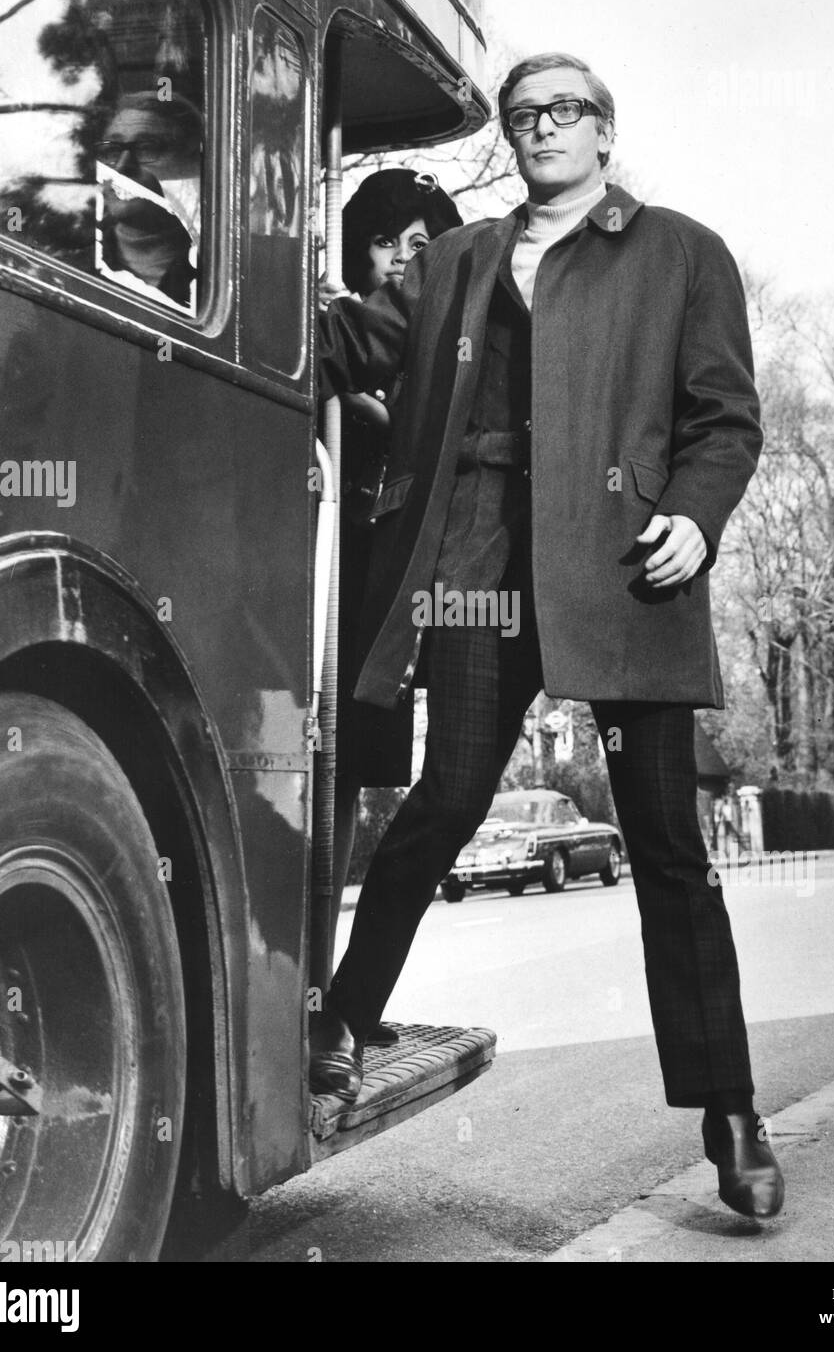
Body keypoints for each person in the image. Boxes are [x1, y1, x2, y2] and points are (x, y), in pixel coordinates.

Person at [313, 53, 784, 1219]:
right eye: (522, 116)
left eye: (563, 111)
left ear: (603, 133)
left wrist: (693, 514)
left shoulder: (681, 252)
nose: (540, 130)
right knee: (443, 803)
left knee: (668, 848)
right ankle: (341, 1020)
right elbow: (332, 345)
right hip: (481, 569)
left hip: (624, 570)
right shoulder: (457, 260)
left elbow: (723, 419)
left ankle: (730, 1110)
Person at [329, 169, 463, 1047]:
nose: (404, 261)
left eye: (424, 247)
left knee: (348, 788)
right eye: (388, 241)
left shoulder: (441, 364)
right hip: (318, 598)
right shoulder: (329, 332)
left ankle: (326, 994)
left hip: (381, 609)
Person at [95, 92, 203, 311]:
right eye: (112, 151)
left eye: (147, 148)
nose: (121, 167)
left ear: (192, 165)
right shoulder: (74, 257)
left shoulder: (216, 271)